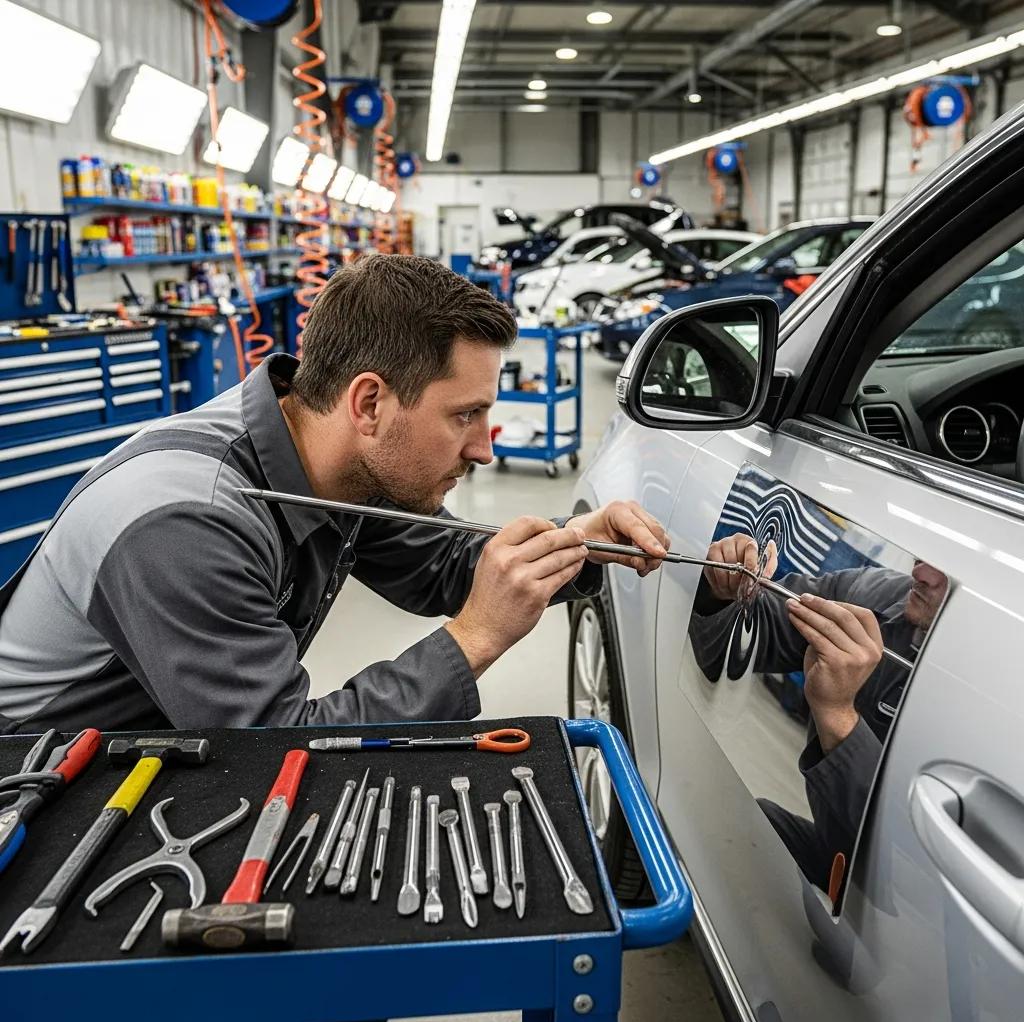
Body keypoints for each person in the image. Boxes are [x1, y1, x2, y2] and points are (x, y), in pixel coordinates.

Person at [0, 255, 668, 734]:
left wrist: (582, 543)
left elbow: (445, 563)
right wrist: (473, 641)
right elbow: (273, 745)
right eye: (464, 415)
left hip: (153, 741)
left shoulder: (327, 455)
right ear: (370, 402)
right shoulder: (185, 523)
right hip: (38, 782)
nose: (484, 449)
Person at [692, 532, 947, 891]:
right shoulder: (875, 597)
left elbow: (911, 870)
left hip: (902, 909)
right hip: (836, 855)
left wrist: (838, 718)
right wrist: (723, 589)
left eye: (951, 571)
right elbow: (746, 636)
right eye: (933, 550)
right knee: (719, 815)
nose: (923, 571)